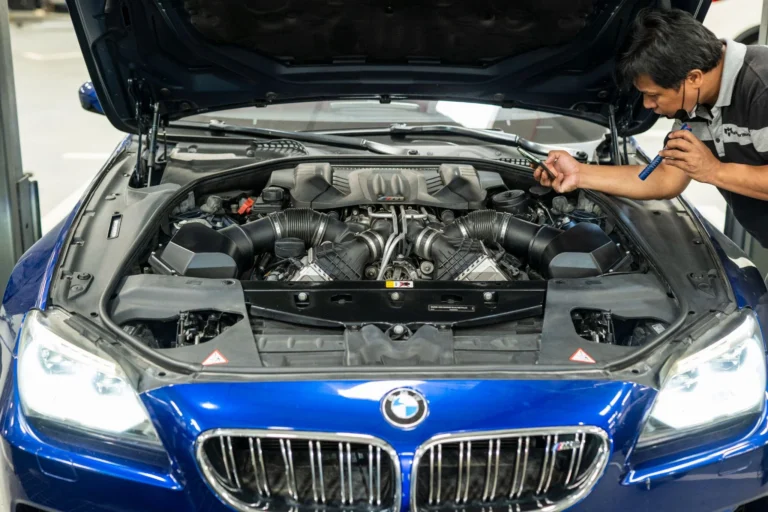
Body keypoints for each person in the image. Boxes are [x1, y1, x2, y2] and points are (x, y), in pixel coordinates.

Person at [533, 8, 768, 247]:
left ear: (694, 78)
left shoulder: (762, 85)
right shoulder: (694, 103)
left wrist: (713, 170)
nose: (647, 104)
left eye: (654, 95)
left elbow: (708, 170)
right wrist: (578, 173)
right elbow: (665, 178)